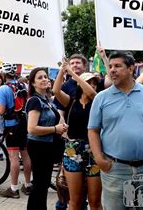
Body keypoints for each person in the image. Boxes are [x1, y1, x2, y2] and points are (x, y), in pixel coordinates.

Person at [88, 51, 143, 210]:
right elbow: (93, 130)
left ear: (131, 68)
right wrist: (100, 160)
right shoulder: (101, 98)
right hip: (115, 170)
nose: (112, 69)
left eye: (118, 66)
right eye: (111, 66)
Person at [53, 60, 102, 210]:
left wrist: (72, 72)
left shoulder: (97, 100)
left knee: (95, 201)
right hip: (73, 151)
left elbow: (93, 93)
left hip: (93, 151)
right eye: (89, 82)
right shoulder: (71, 101)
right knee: (75, 200)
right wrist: (63, 70)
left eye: (95, 82)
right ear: (80, 84)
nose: (92, 85)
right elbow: (55, 91)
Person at [26, 67, 68, 210]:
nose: (44, 79)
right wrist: (55, 129)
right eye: (40, 78)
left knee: (43, 185)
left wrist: (61, 127)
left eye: (45, 76)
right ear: (33, 83)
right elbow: (31, 128)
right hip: (38, 146)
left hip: (48, 146)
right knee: (39, 184)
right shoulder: (35, 101)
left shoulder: (47, 100)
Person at [0, 68, 32, 199]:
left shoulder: (3, 89)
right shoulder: (23, 84)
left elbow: (1, 110)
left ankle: (14, 189)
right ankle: (28, 184)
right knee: (25, 154)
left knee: (13, 157)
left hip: (11, 126)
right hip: (24, 124)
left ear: (3, 74)